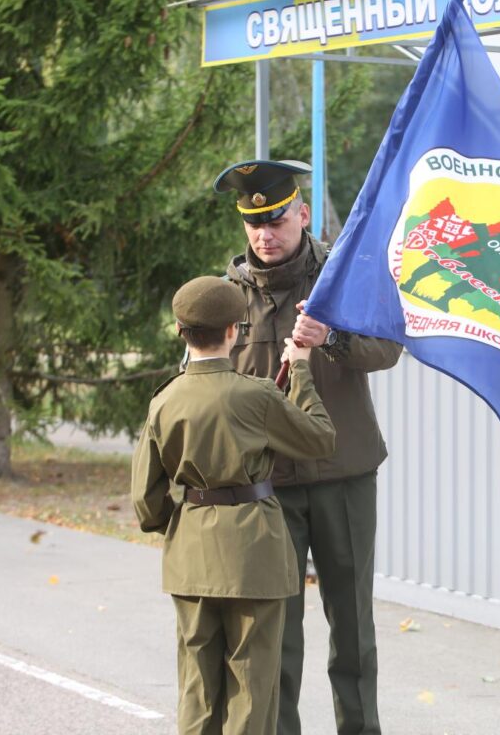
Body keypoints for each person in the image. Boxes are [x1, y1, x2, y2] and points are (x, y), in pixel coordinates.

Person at [214, 158, 403, 735]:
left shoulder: (341, 276)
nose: (265, 236)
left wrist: (333, 338)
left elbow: (388, 347)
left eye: (276, 221)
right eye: (254, 225)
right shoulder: (226, 294)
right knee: (276, 635)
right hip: (267, 487)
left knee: (351, 629)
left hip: (342, 475)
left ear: (301, 214)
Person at [131, 276, 336, 735]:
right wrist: (299, 368)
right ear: (233, 331)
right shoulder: (256, 395)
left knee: (198, 689)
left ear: (182, 331)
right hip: (254, 555)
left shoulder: (164, 401)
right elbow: (320, 439)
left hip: (191, 555)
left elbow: (146, 500)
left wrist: (183, 525)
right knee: (252, 684)